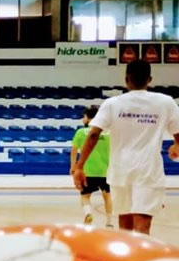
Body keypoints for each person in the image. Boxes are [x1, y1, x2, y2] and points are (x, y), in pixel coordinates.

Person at [74, 60, 179, 234]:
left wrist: (79, 166)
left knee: (125, 222)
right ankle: (141, 258)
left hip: (120, 171)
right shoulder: (165, 102)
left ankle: (127, 259)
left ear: (126, 79)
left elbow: (93, 134)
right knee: (143, 222)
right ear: (150, 79)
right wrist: (176, 145)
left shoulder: (112, 103)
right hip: (149, 171)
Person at [69, 106, 113, 227]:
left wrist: (73, 166)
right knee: (107, 196)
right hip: (106, 171)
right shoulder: (109, 133)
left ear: (88, 118)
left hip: (87, 171)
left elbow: (73, 150)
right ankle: (109, 221)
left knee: (85, 196)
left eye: (84, 117)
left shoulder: (80, 132)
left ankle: (88, 214)